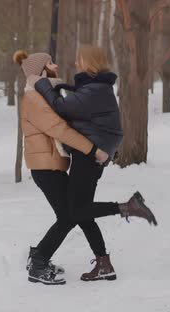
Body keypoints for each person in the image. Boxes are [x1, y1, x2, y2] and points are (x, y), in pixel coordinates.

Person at [33, 45, 158, 282]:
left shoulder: (95, 91)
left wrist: (43, 85)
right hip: (91, 154)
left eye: (80, 59)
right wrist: (60, 86)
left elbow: (62, 108)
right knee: (82, 211)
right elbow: (77, 100)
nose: (76, 63)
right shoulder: (96, 88)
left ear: (89, 62)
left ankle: (128, 207)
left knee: (77, 211)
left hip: (88, 155)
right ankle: (104, 264)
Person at [13, 50, 109, 285]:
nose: (56, 65)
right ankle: (38, 263)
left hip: (52, 164)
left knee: (78, 211)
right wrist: (93, 149)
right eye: (50, 62)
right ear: (41, 70)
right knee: (68, 216)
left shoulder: (44, 96)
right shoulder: (34, 99)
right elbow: (59, 129)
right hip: (45, 167)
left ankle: (102, 262)